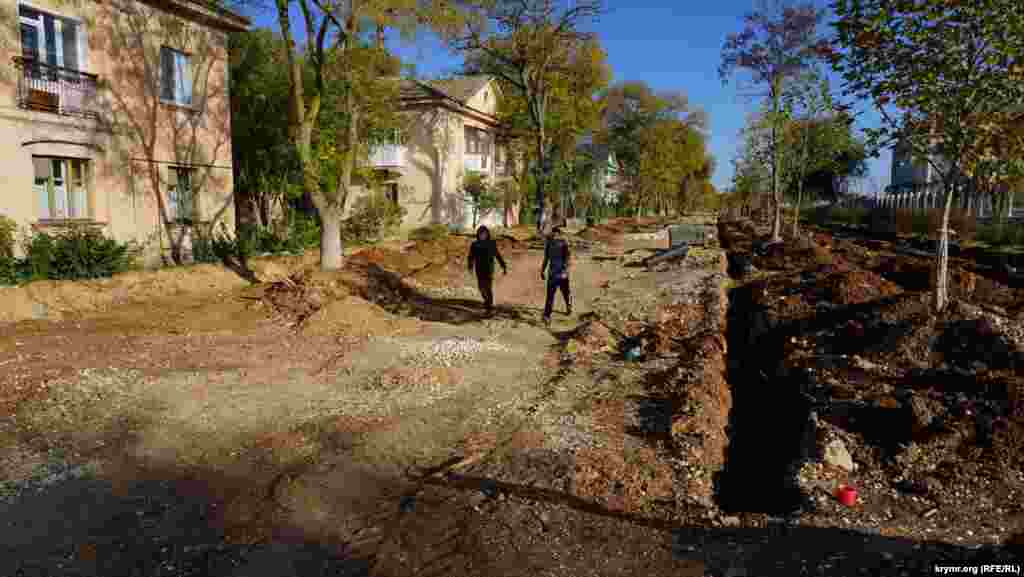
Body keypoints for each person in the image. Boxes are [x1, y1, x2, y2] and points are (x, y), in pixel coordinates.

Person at [467, 225, 507, 315]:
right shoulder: (474, 245)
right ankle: (486, 301)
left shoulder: (491, 243)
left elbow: (497, 255)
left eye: (484, 234)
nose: (482, 235)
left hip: (489, 269)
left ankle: (489, 307)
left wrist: (503, 266)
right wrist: (470, 267)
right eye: (481, 234)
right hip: (479, 269)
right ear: (478, 234)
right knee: (481, 288)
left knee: (488, 288)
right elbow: (470, 257)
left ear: (487, 234)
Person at [541, 225, 572, 326]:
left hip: (562, 274)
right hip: (552, 274)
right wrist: (542, 270)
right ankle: (547, 316)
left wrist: (565, 271)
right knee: (550, 296)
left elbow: (568, 259)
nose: (554, 235)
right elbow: (546, 258)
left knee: (565, 292)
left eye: (556, 234)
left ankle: (568, 305)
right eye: (552, 233)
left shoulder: (564, 243)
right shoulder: (549, 244)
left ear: (559, 234)